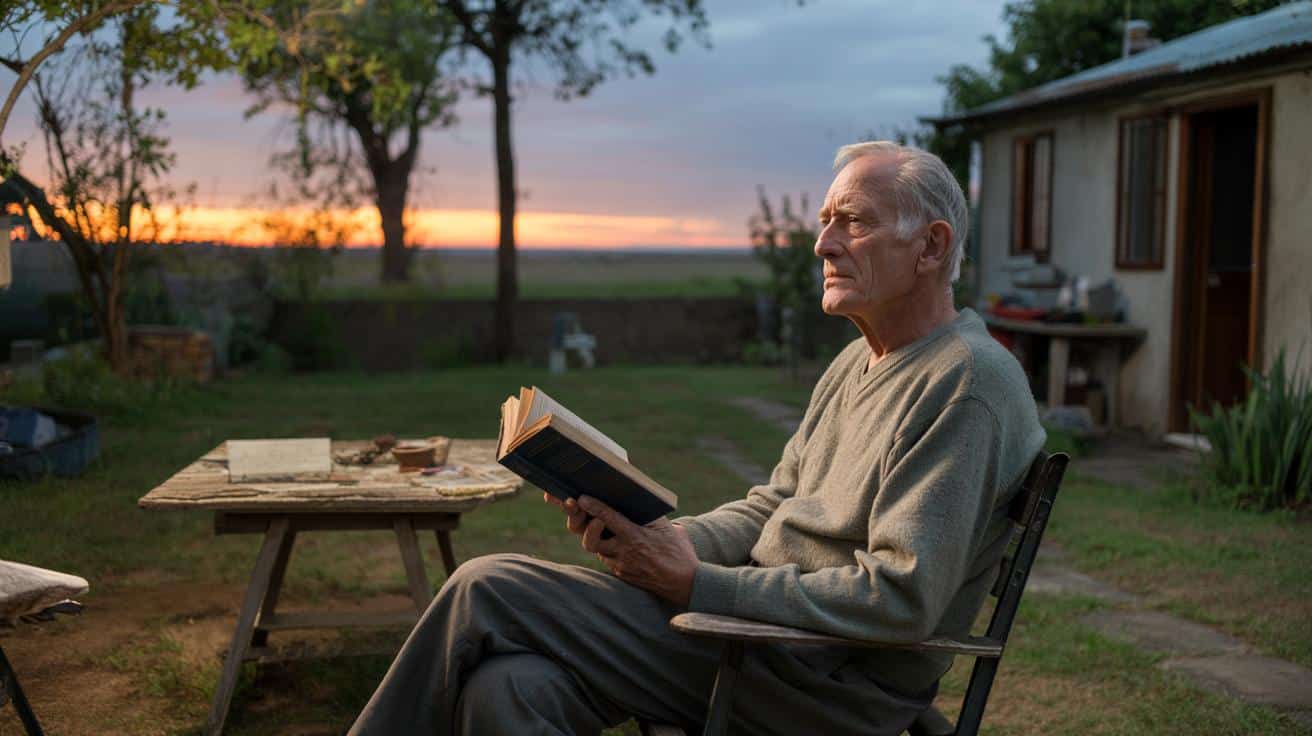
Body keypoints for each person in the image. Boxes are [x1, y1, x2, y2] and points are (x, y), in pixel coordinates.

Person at [347, 141, 1045, 736]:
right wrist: (668, 541)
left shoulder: (967, 384)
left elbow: (901, 598)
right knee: (509, 689)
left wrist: (698, 584)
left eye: (853, 222)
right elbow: (775, 500)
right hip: (750, 644)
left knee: (486, 585)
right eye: (825, 220)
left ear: (932, 246)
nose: (823, 242)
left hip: (812, 680)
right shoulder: (860, 361)